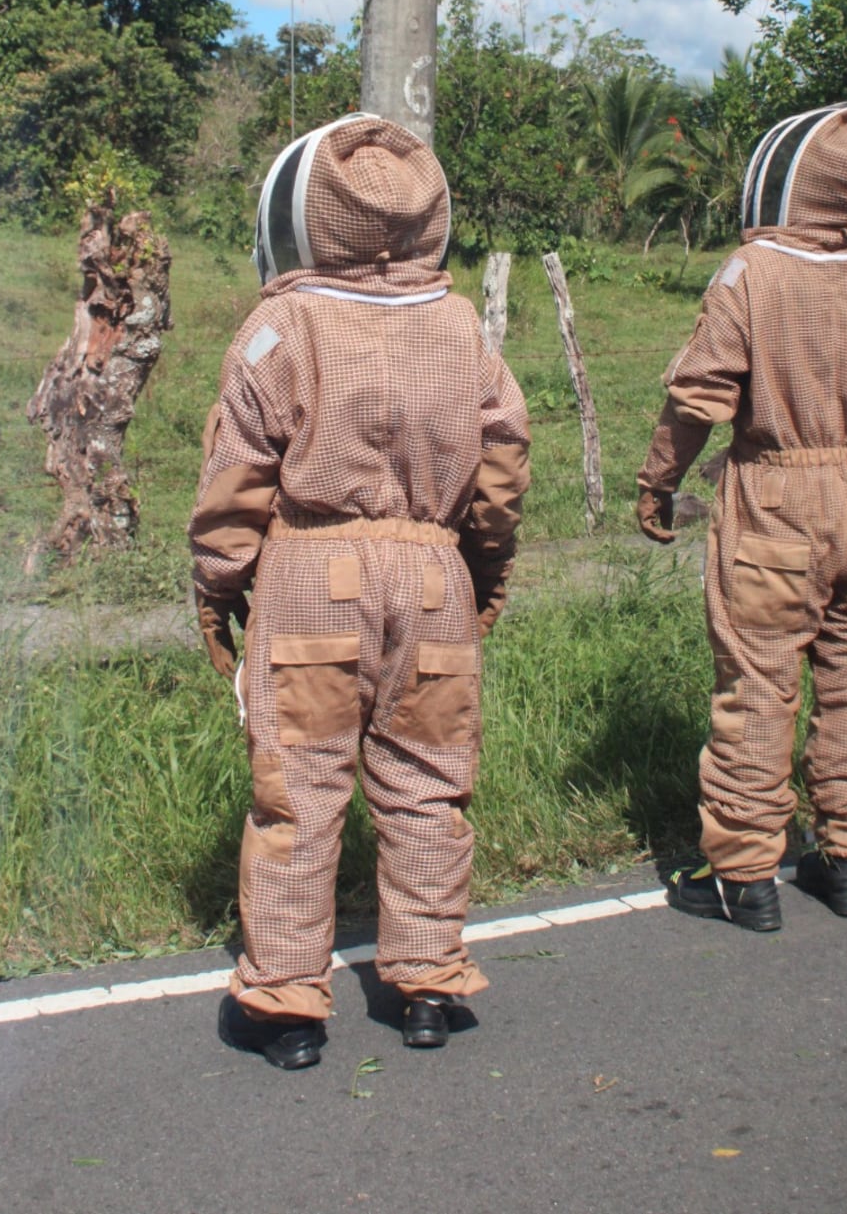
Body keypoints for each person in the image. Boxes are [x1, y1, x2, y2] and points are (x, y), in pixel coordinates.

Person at [189, 114, 530, 1067]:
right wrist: (482, 575)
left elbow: (235, 477)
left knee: (297, 791)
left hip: (311, 577)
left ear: (303, 214)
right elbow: (503, 470)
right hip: (433, 578)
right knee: (427, 786)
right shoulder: (464, 327)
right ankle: (425, 983)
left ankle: (289, 1006)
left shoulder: (279, 326)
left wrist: (216, 587)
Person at [636, 103, 847, 931]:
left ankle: (745, 879)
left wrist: (657, 483)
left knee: (757, 684)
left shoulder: (751, 274)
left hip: (776, 499)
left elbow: (696, 399)